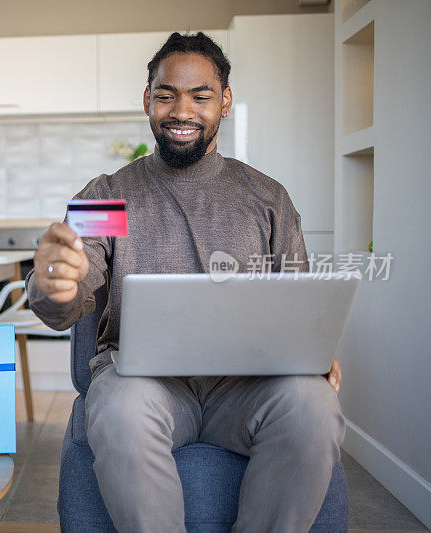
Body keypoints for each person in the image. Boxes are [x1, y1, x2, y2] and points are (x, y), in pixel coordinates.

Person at [26, 32, 344, 532]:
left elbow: (298, 304)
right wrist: (52, 283)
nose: (182, 110)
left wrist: (314, 351)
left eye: (201, 96)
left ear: (225, 102)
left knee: (313, 404)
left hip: (245, 390)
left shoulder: (267, 197)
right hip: (142, 385)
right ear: (147, 100)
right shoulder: (106, 195)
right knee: (122, 411)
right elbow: (66, 302)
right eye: (167, 94)